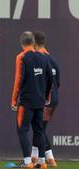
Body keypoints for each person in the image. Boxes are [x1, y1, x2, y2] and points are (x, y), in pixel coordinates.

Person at [11, 31, 53, 169]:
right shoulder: (44, 57)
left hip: (26, 101)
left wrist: (13, 100)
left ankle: (28, 162)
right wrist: (47, 96)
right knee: (39, 130)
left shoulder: (21, 57)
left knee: (22, 130)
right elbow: (50, 79)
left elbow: (18, 79)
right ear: (33, 42)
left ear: (21, 42)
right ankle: (42, 162)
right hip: (40, 101)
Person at [31, 31, 60, 167]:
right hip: (52, 99)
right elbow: (57, 82)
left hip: (43, 99)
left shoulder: (38, 59)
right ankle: (44, 158)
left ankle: (40, 159)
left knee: (39, 129)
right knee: (40, 129)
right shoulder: (52, 60)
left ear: (34, 43)